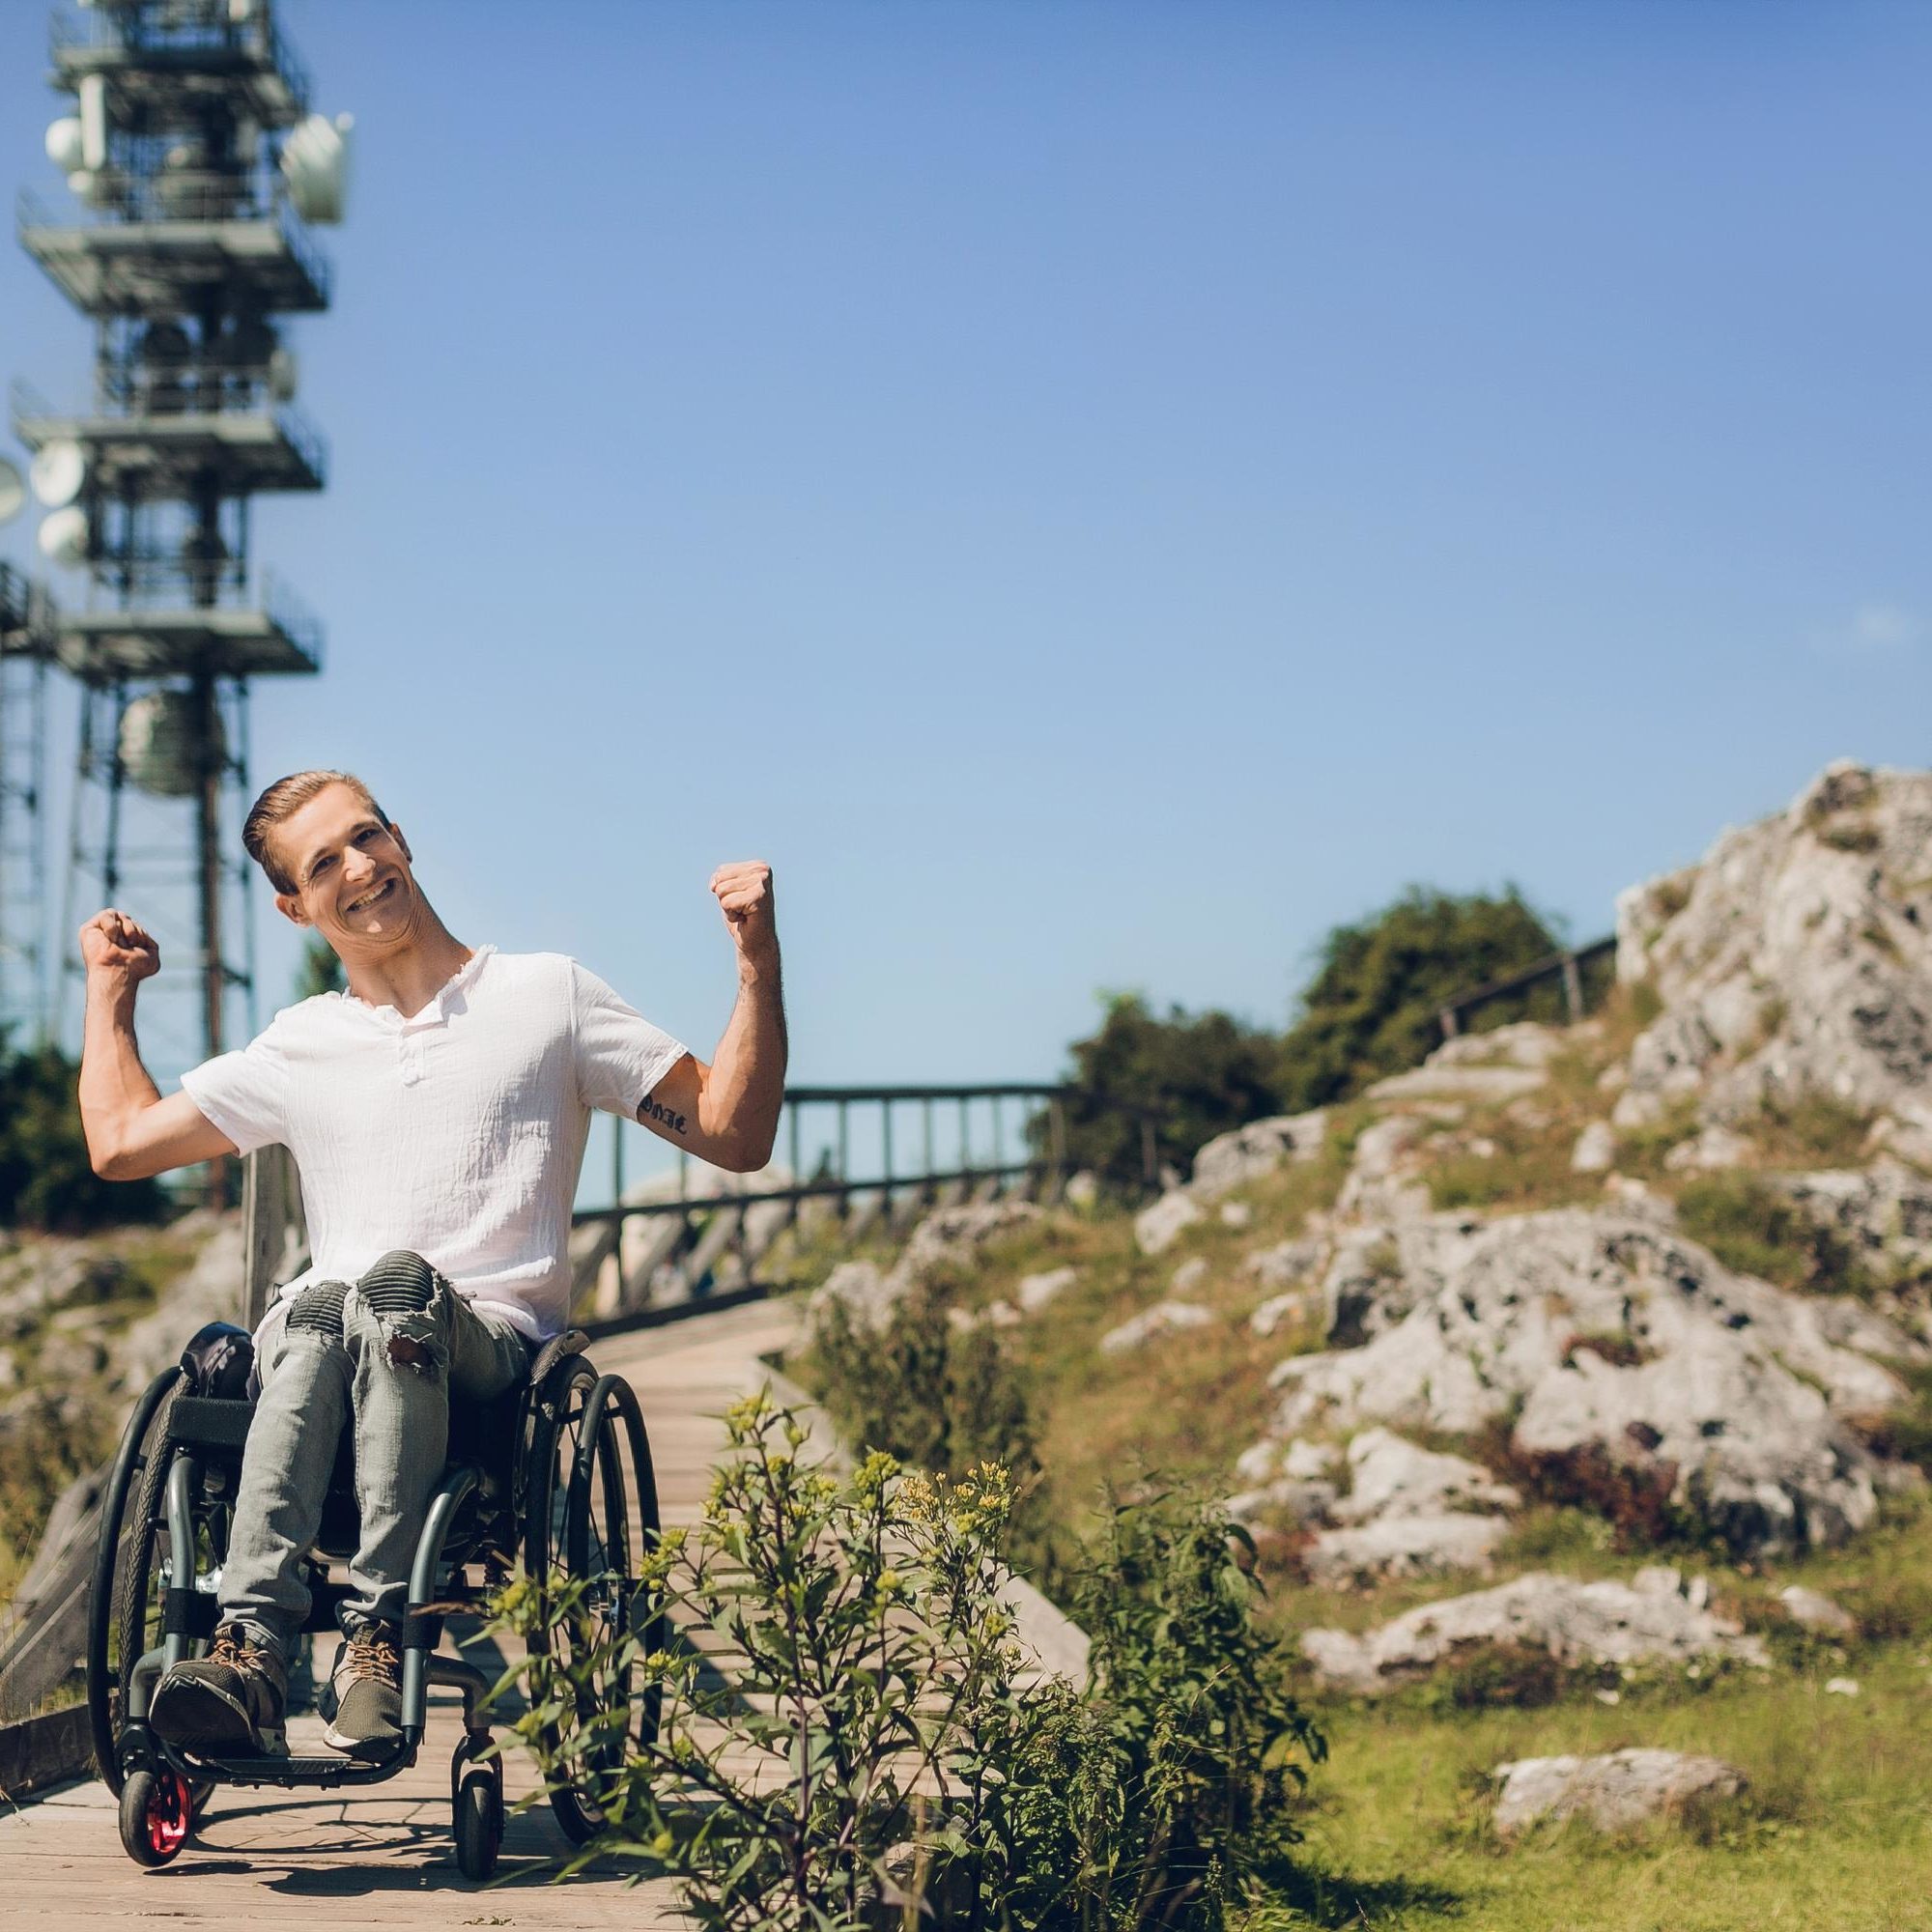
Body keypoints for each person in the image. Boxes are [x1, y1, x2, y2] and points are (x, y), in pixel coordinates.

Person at [77, 768, 785, 1759]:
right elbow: (117, 1144)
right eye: (325, 863)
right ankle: (248, 1647)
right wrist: (110, 994)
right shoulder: (304, 1041)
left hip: (485, 1348)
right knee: (324, 1302)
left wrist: (755, 962)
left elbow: (732, 1131)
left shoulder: (547, 996)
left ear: (400, 837)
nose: (360, 867)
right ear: (295, 905)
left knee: (392, 1283)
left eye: (367, 837)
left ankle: (377, 1630)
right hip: (323, 1343)